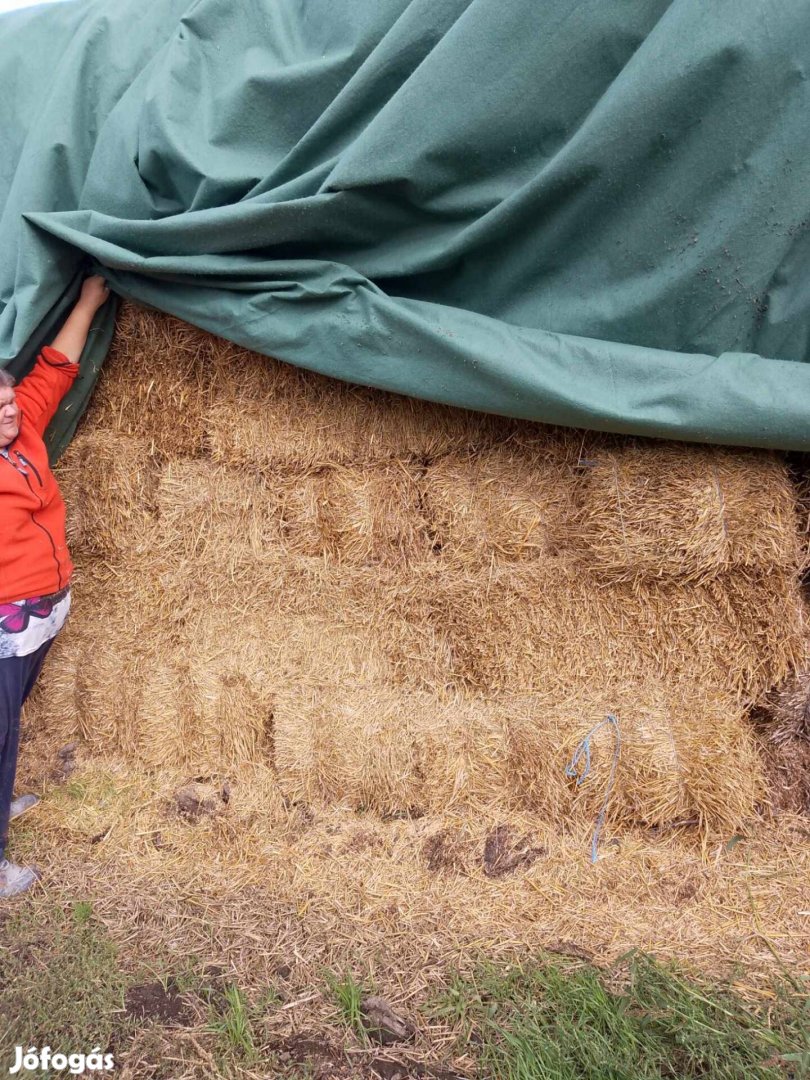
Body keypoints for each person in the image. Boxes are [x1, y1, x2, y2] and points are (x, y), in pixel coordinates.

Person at [0, 275, 109, 897]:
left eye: (9, 400)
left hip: (39, 613)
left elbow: (58, 367)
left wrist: (90, 300)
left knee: (9, 717)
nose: (10, 412)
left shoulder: (26, 431)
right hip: (4, 625)